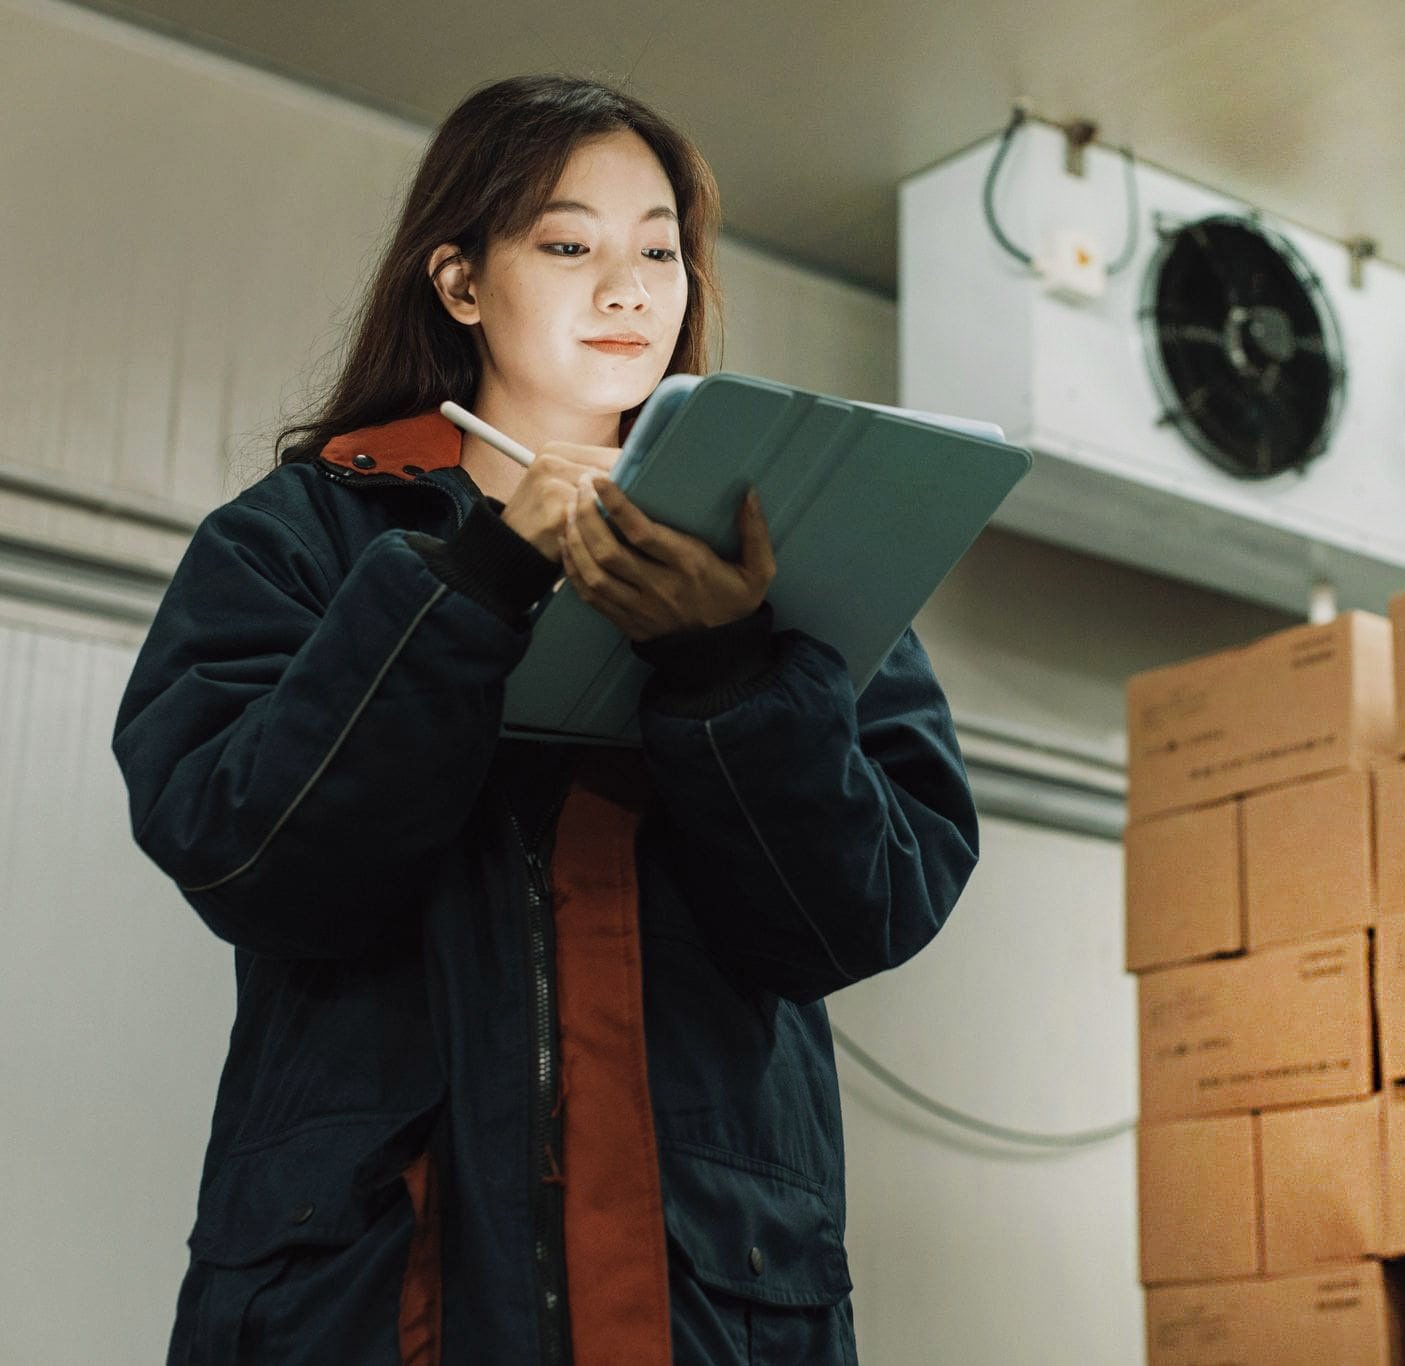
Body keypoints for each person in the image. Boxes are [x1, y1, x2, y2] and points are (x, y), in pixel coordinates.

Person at [112, 73, 978, 1365]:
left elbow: (868, 908)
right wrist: (475, 583)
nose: (627, 288)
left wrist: (729, 669)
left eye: (659, 250)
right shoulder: (302, 537)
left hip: (712, 1301)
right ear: (460, 281)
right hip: (367, 1296)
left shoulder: (785, 556)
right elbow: (249, 854)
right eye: (568, 243)